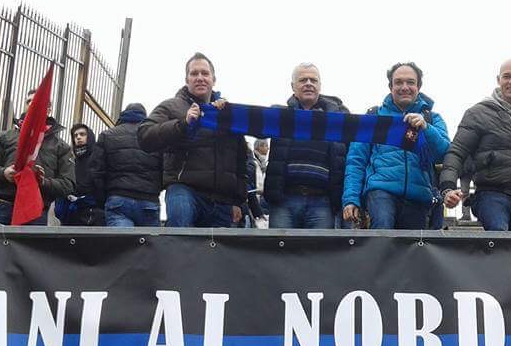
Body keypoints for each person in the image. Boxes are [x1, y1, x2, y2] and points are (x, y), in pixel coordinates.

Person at [137, 52, 248, 228]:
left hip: (222, 201)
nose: (200, 78)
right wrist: (183, 124)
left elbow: (241, 160)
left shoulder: (228, 114)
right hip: (184, 190)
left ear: (213, 79)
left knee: (218, 247)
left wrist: (238, 201)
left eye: (205, 73)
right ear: (186, 79)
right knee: (179, 237)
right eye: (194, 73)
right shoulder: (171, 106)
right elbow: (144, 136)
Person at [341, 62, 450, 229]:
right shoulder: (373, 117)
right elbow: (356, 161)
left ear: (418, 87)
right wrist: (351, 199)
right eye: (398, 82)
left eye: (410, 82)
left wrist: (426, 129)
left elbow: (444, 154)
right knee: (383, 234)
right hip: (380, 191)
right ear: (390, 86)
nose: (404, 87)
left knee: (413, 245)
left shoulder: (432, 119)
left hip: (419, 196)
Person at [440, 59, 511, 231]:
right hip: (492, 195)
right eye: (507, 76)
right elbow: (456, 152)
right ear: (498, 79)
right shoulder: (478, 114)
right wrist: (448, 188)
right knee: (498, 239)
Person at [264, 63, 348, 229]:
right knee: (280, 246)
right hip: (284, 200)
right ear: (293, 86)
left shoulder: (338, 120)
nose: (309, 83)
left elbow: (362, 141)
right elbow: (246, 123)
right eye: (303, 80)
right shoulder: (279, 116)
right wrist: (222, 112)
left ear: (320, 86)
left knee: (320, 247)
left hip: (322, 202)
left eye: (313, 80)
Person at [0, 88, 75, 225]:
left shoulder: (61, 147)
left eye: (37, 101)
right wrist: (3, 173)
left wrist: (43, 182)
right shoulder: (5, 137)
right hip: (5, 207)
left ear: (48, 109)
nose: (31, 104)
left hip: (37, 211)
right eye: (28, 101)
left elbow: (68, 185)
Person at [92, 103, 163, 227]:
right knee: (149, 240)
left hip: (118, 199)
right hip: (148, 200)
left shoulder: (107, 135)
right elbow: (165, 169)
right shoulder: (154, 137)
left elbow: (97, 172)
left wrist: (103, 198)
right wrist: (154, 190)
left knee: (123, 239)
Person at [56, 123, 104, 226]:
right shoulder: (71, 160)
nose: (78, 137)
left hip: (93, 211)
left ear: (89, 136)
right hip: (72, 212)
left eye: (82, 134)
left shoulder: (98, 158)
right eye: (75, 135)